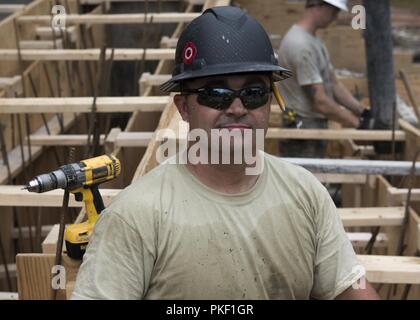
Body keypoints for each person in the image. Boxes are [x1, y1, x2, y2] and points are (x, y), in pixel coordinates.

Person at [71, 6, 379, 300]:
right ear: (184, 108)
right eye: (216, 94)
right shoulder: (134, 217)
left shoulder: (306, 193)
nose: (237, 107)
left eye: (253, 93)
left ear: (270, 102)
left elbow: (348, 286)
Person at [277, 0, 371, 158]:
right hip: (302, 131)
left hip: (311, 125)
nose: (335, 17)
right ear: (318, 5)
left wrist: (362, 112)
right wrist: (359, 125)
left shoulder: (312, 40)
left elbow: (333, 83)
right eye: (334, 11)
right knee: (302, 180)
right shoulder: (301, 45)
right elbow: (320, 102)